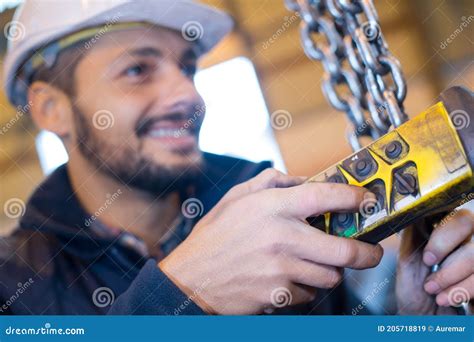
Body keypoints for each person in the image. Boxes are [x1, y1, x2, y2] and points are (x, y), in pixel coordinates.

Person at [1, 0, 472, 315]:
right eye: (137, 69)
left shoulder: (278, 207)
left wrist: (414, 317)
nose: (187, 95)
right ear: (51, 108)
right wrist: (183, 293)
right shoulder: (15, 285)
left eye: (187, 68)